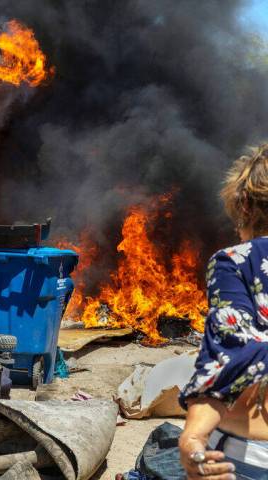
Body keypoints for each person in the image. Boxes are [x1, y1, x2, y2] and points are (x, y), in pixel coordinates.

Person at [179, 144, 268, 480]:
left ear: (245, 205)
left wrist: (193, 438)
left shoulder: (237, 261)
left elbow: (231, 356)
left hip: (248, 460)